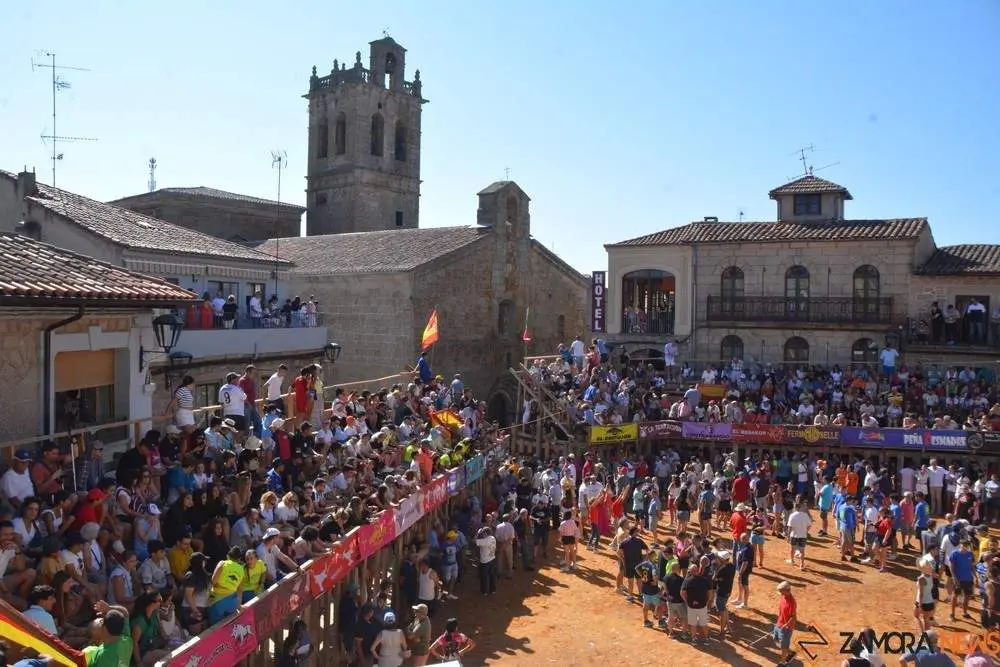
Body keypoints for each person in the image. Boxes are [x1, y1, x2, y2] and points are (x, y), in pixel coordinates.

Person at [773, 581, 797, 667]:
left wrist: (786, 624)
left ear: (787, 590)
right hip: (779, 624)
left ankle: (782, 663)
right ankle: (791, 653)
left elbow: (793, 616)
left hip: (787, 627)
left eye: (781, 591)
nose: (780, 593)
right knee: (775, 639)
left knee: (783, 646)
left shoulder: (792, 602)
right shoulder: (783, 596)